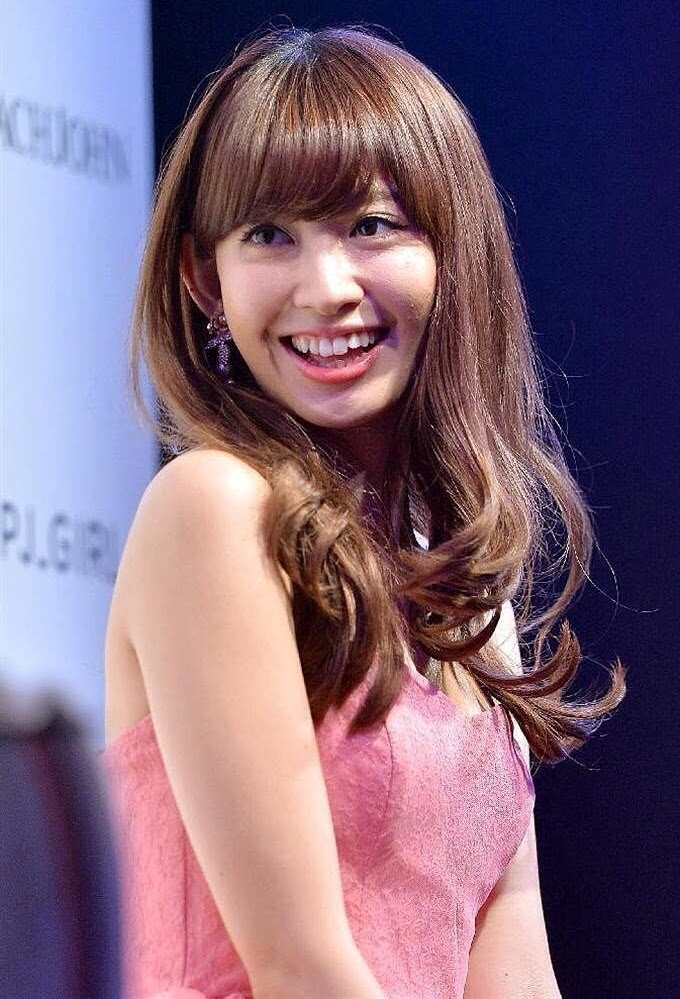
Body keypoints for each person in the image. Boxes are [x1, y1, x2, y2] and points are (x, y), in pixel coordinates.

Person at [102, 25, 625, 999]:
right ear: (204, 279)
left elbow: (517, 973)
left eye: (371, 226)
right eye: (269, 235)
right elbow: (299, 966)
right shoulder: (215, 508)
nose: (326, 288)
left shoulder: (471, 598)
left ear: (451, 252)